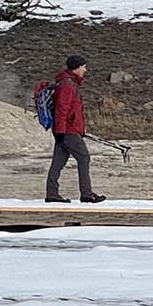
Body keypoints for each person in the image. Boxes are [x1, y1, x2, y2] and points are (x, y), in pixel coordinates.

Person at [46, 54, 106, 203]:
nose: (85, 69)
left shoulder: (67, 83)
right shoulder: (68, 85)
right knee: (84, 157)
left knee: (58, 162)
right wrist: (61, 131)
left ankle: (52, 194)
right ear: (76, 67)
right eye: (83, 66)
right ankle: (86, 194)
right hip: (67, 131)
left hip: (65, 130)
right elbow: (62, 109)